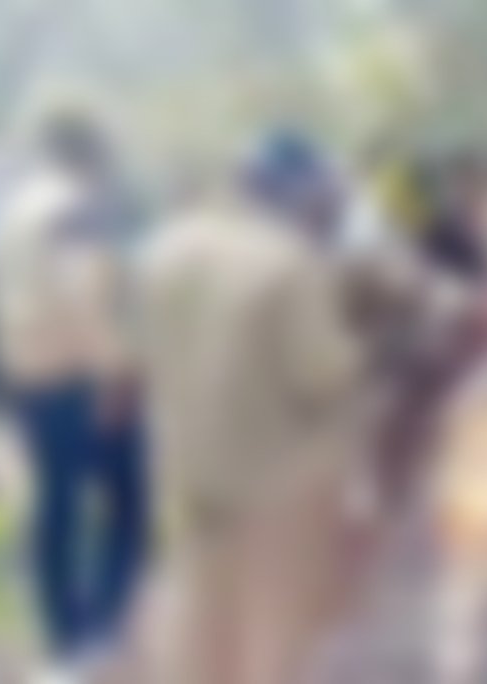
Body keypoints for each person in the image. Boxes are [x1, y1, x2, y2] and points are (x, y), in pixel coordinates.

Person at [138, 130, 374, 684]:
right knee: (282, 639)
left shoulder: (167, 248)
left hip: (192, 474)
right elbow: (323, 372)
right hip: (279, 489)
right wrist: (365, 347)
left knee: (202, 629)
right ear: (300, 194)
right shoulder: (288, 260)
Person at [0, 112, 148, 670]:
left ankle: (62, 635)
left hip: (29, 375)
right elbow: (85, 297)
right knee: (129, 505)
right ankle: (103, 631)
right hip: (80, 377)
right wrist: (118, 373)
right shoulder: (74, 209)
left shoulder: (13, 211)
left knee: (55, 505)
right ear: (91, 158)